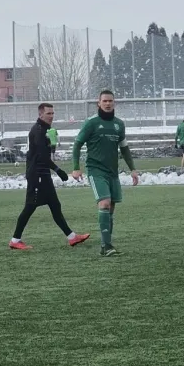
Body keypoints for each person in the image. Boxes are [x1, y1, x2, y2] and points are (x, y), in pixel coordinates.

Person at [9, 103, 90, 250]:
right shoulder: (38, 130)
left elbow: (47, 153)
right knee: (30, 206)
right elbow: (41, 156)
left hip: (43, 174)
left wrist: (52, 144)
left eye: (53, 113)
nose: (51, 116)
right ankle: (15, 240)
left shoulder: (47, 130)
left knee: (55, 206)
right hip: (37, 175)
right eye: (48, 113)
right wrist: (58, 170)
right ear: (41, 115)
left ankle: (72, 237)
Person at [72, 90, 139, 257]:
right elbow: (77, 145)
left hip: (112, 172)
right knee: (104, 203)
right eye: (105, 101)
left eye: (110, 101)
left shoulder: (119, 124)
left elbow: (124, 148)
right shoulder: (91, 123)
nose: (108, 103)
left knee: (111, 208)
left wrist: (133, 169)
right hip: (96, 170)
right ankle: (107, 246)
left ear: (114, 103)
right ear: (98, 103)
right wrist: (76, 167)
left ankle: (106, 245)